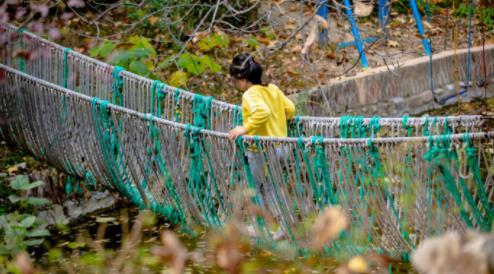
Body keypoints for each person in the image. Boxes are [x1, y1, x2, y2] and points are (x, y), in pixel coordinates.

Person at [228, 53, 295, 236]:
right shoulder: (272, 89)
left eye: (235, 81)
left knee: (256, 186)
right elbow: (290, 109)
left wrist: (245, 128)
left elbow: (262, 112)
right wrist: (277, 118)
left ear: (242, 79)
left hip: (261, 149)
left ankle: (261, 226)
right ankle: (283, 225)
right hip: (281, 146)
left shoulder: (250, 94)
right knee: (275, 185)